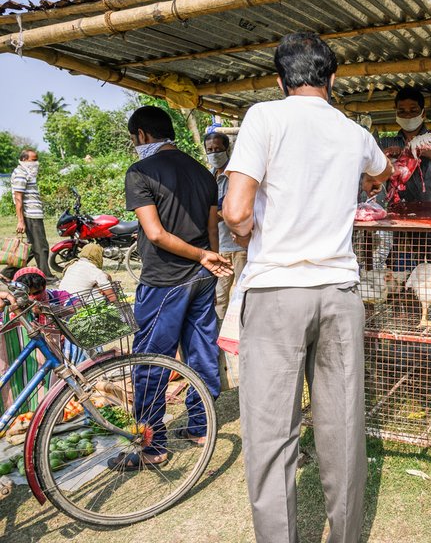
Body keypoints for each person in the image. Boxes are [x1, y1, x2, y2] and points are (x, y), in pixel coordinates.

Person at [223, 32, 392, 543]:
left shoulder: (264, 117)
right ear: (331, 79)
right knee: (342, 429)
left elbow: (235, 210)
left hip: (277, 292)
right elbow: (381, 174)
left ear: (281, 79)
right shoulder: (354, 132)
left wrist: (245, 232)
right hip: (340, 293)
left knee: (272, 435)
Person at [109, 106, 233, 471]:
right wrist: (209, 258)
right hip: (201, 276)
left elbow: (155, 234)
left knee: (151, 360)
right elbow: (212, 229)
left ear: (142, 136)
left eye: (135, 139)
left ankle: (151, 443)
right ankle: (200, 426)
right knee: (201, 352)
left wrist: (201, 257)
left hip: (165, 281)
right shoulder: (201, 171)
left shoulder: (140, 172)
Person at [204, 131, 247, 321]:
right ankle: (218, 339)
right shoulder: (209, 177)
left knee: (244, 294)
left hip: (240, 247)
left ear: (227, 149)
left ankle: (243, 335)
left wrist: (212, 215)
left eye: (218, 149)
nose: (214, 153)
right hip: (219, 247)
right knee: (219, 297)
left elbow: (234, 207)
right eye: (210, 150)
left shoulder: (236, 176)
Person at [379, 86, 431, 203]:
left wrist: (410, 149)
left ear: (423, 113)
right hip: (397, 208)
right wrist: (385, 155)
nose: (407, 115)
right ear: (396, 113)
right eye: (401, 111)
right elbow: (375, 166)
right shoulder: (386, 142)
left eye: (413, 110)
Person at [11, 150, 58, 282]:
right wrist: (20, 221)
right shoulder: (20, 173)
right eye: (34, 160)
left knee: (32, 248)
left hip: (34, 214)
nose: (36, 163)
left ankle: (7, 273)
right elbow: (18, 199)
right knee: (41, 246)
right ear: (24, 160)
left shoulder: (27, 173)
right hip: (30, 215)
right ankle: (46, 275)